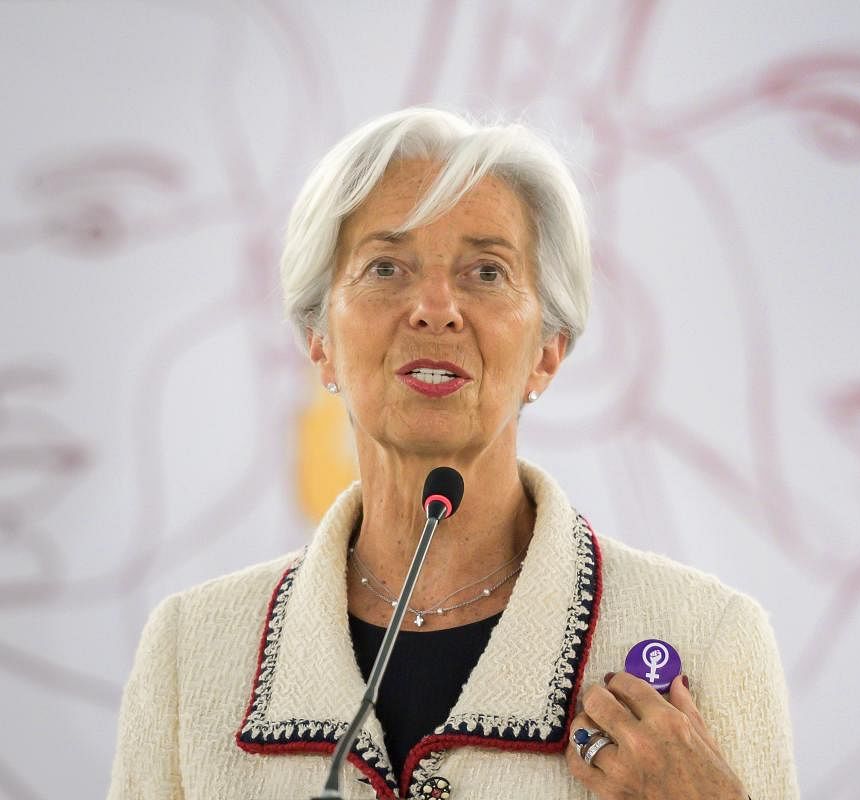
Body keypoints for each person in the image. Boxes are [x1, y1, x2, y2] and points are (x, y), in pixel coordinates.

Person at [105, 107, 799, 800]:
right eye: (386, 267)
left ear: (548, 352)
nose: (435, 309)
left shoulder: (705, 637)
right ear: (320, 341)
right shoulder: (189, 652)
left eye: (486, 273)